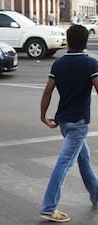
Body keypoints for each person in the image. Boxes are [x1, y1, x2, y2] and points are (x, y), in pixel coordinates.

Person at [39, 24, 98, 222]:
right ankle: (49, 207)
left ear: (68, 40)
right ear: (85, 42)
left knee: (83, 159)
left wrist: (43, 115)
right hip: (78, 123)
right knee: (64, 163)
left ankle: (96, 195)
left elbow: (48, 91)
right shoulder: (90, 64)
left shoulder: (59, 64)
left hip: (63, 121)